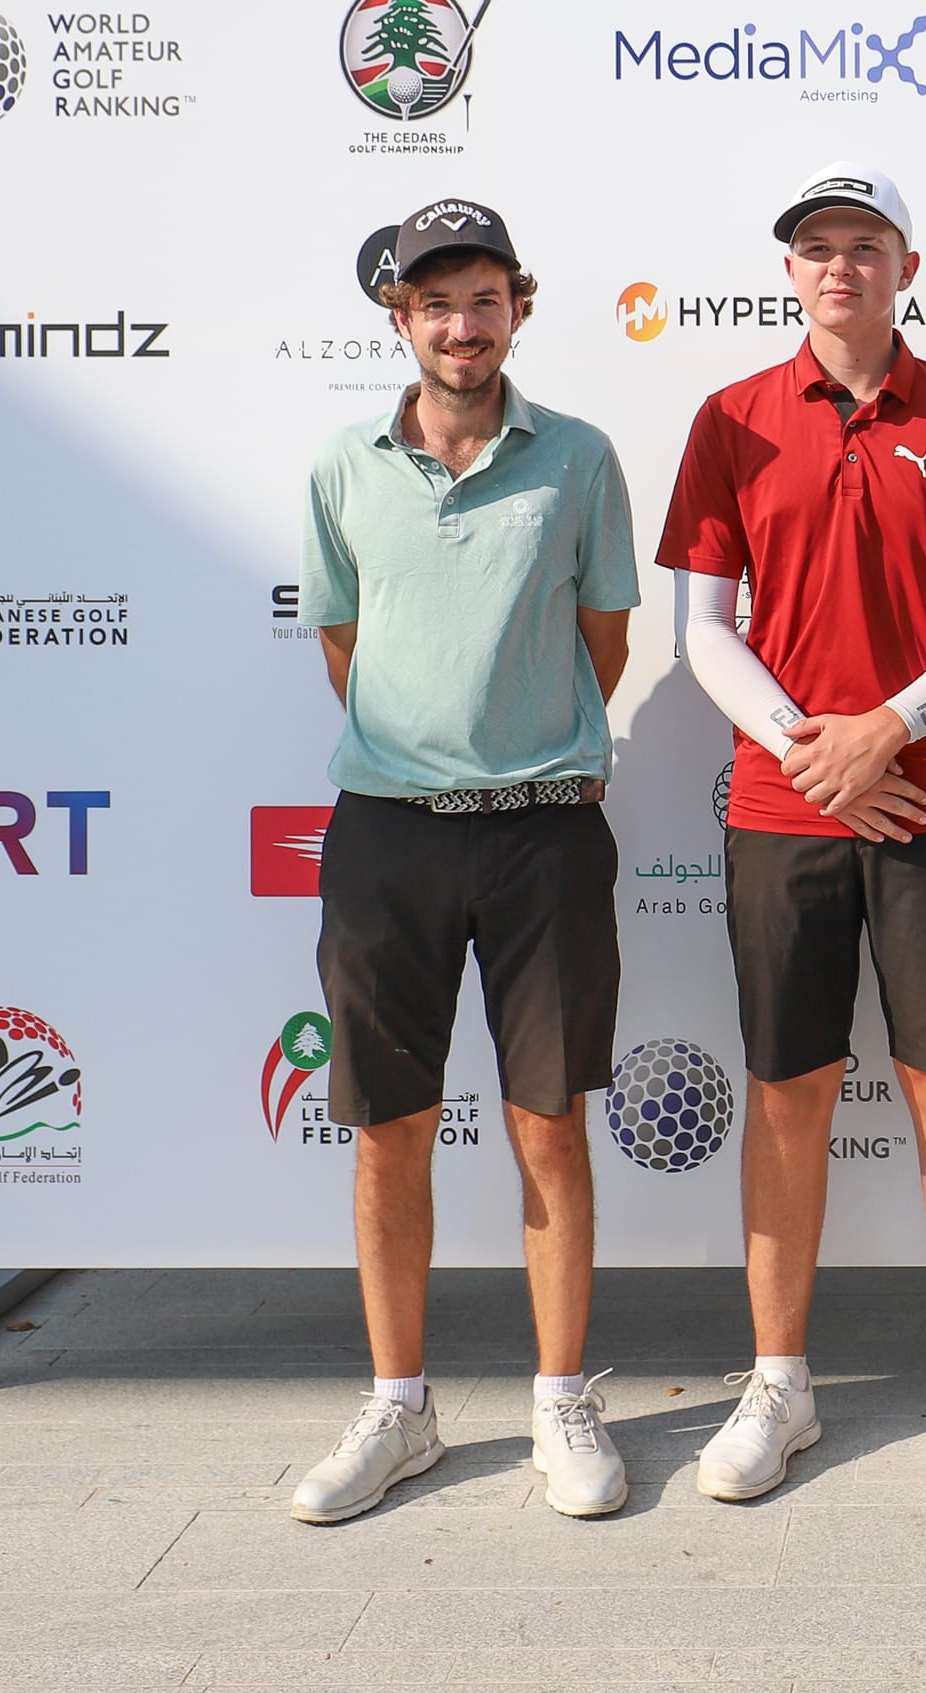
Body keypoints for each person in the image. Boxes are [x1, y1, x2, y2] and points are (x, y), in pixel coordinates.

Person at [657, 162, 926, 1501]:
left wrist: (884, 727)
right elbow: (703, 628)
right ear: (789, 271)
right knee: (788, 1090)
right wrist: (813, 751)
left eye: (865, 244)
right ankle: (779, 1383)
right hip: (785, 806)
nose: (840, 265)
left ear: (905, 268)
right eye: (816, 245)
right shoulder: (732, 417)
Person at [292, 198, 639, 1523]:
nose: (461, 324)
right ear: (401, 318)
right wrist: (429, 751)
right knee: (391, 1128)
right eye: (435, 302)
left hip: (545, 829)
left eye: (483, 298)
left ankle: (560, 1398)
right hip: (387, 833)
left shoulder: (580, 458)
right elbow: (346, 648)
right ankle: (402, 1406)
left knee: (548, 1121)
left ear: (518, 308)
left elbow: (603, 640)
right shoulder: (343, 466)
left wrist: (523, 743)